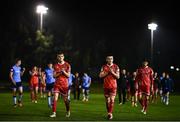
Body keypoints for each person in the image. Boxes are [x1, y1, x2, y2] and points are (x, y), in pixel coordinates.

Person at [50, 52, 71, 118]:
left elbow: (68, 75)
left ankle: (68, 111)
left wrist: (64, 71)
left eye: (61, 56)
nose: (60, 57)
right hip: (57, 84)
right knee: (54, 98)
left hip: (64, 85)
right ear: (57, 57)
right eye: (59, 56)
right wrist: (60, 73)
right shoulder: (55, 65)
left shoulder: (67, 65)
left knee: (65, 100)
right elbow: (54, 76)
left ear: (63, 57)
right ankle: (54, 113)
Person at [99, 55, 120, 120]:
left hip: (113, 86)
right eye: (108, 59)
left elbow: (118, 77)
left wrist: (112, 72)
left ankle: (110, 114)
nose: (110, 60)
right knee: (107, 101)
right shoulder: (103, 67)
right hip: (106, 86)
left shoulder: (116, 67)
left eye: (111, 59)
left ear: (113, 60)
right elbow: (100, 75)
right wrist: (107, 73)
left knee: (112, 100)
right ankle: (109, 112)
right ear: (106, 60)